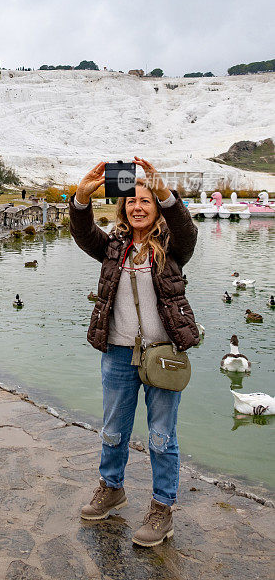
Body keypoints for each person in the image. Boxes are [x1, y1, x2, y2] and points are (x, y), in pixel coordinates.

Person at [70, 157, 199, 547]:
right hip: (117, 353)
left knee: (161, 436)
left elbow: (186, 229)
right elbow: (82, 233)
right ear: (123, 208)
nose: (138, 206)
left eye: (146, 200)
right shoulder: (113, 248)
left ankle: (162, 508)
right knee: (113, 430)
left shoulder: (173, 249)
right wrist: (81, 196)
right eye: (131, 201)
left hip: (163, 355)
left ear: (157, 206)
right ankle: (112, 488)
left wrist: (163, 189)